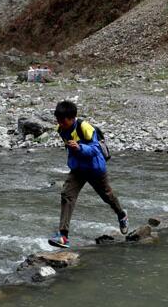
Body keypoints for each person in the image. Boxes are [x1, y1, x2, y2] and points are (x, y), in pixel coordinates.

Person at [49, 100, 128, 248]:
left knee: (107, 196)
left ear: (72, 118)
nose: (60, 123)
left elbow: (95, 150)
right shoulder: (61, 129)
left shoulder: (85, 128)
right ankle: (63, 236)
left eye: (63, 121)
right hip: (78, 169)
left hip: (95, 169)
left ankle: (121, 214)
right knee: (67, 195)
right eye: (58, 120)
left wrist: (79, 148)